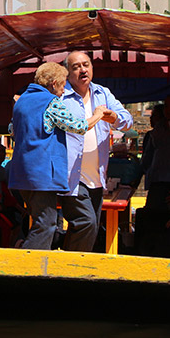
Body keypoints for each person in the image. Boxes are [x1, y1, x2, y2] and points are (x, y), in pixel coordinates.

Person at [9, 62, 106, 250]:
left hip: (21, 174)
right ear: (53, 84)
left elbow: (12, 129)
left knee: (40, 221)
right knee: (46, 224)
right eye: (62, 85)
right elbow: (78, 126)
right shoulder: (51, 102)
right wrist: (98, 114)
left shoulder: (21, 101)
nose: (63, 92)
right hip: (41, 176)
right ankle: (27, 266)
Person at [59, 51, 134, 252]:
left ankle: (66, 266)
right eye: (76, 67)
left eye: (86, 65)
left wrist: (113, 117)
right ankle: (73, 271)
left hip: (98, 178)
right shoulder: (60, 96)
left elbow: (128, 120)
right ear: (67, 72)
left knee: (87, 228)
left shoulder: (103, 93)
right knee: (86, 223)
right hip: (71, 178)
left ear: (92, 68)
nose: (82, 70)